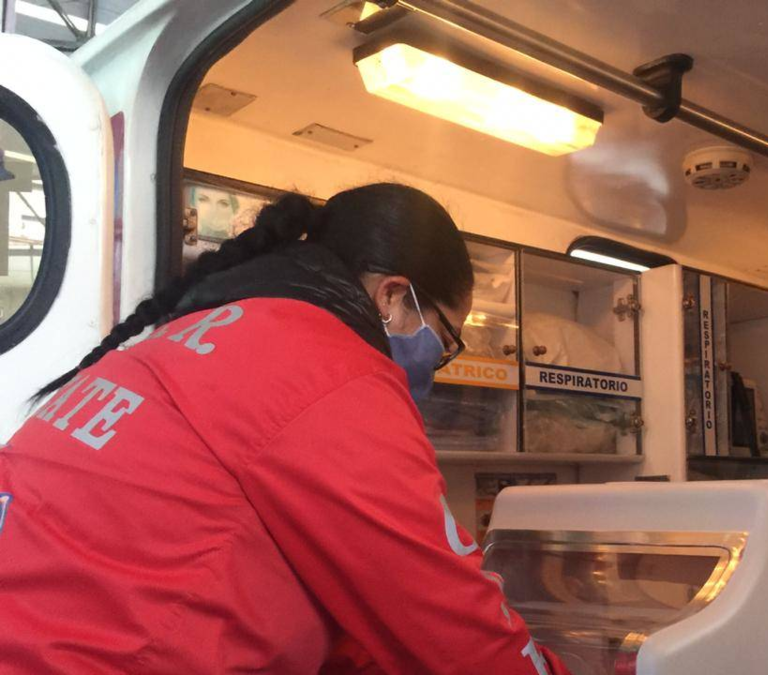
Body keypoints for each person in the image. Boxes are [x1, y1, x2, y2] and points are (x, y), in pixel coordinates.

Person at [0, 184, 568, 674]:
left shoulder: (197, 334)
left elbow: (342, 591)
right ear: (393, 296)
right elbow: (452, 620)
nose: (436, 366)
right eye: (444, 341)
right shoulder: (335, 375)